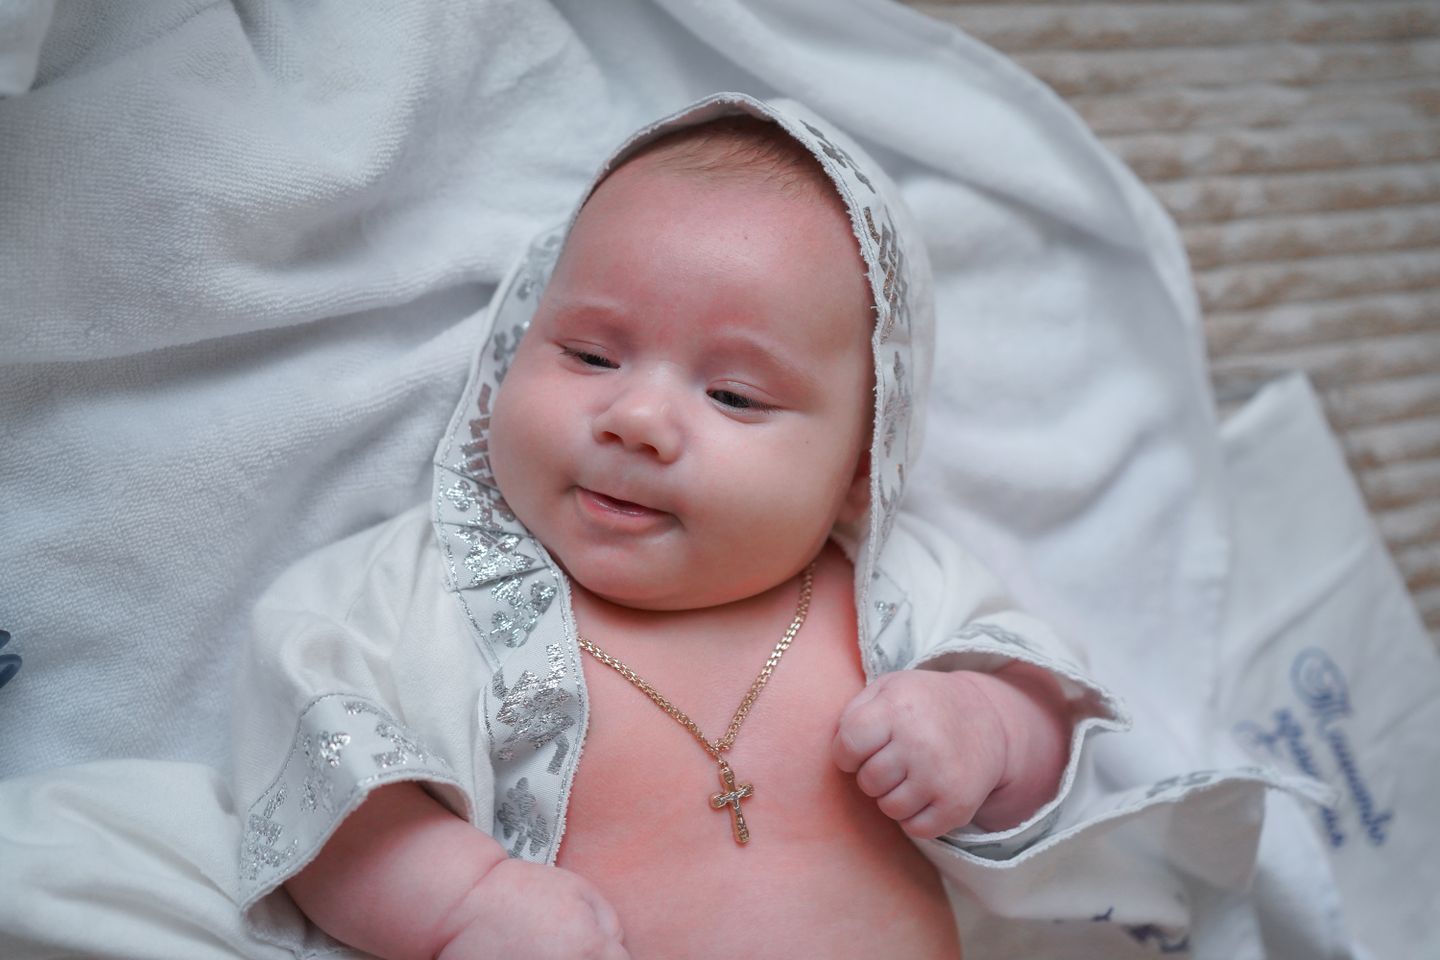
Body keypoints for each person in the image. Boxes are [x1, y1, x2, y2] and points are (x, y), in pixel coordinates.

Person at [232, 95, 1120, 959]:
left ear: (861, 468)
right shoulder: (424, 593)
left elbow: (1059, 738)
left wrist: (987, 731)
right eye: (591, 354)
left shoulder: (898, 593)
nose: (638, 419)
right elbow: (326, 788)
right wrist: (466, 904)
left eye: (734, 395)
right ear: (510, 351)